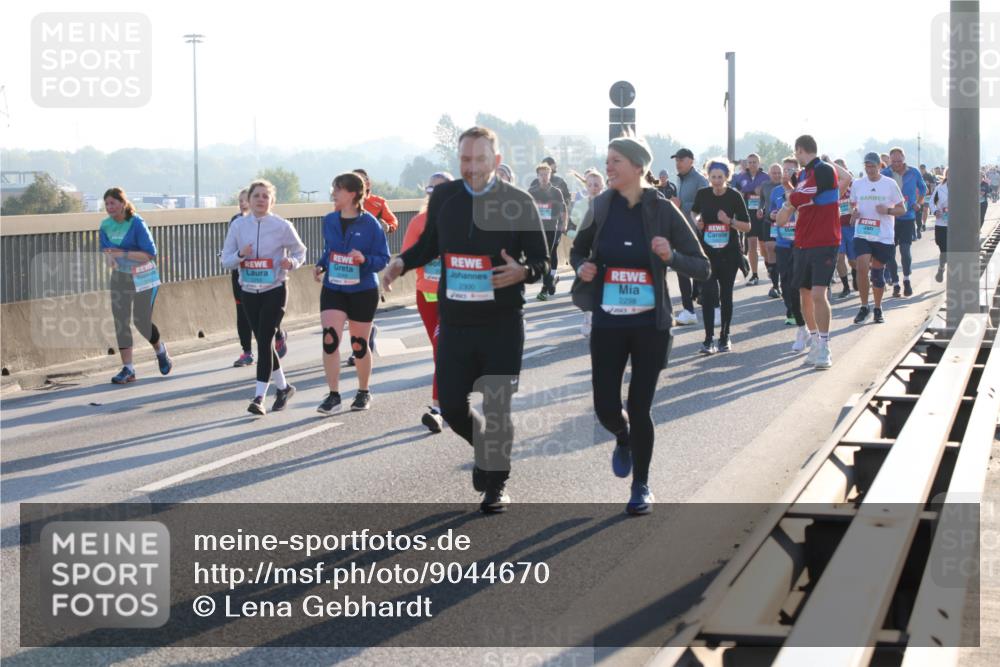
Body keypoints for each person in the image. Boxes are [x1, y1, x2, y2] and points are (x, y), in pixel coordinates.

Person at [382, 126, 550, 514]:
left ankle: (497, 484)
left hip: (502, 322)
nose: (471, 168)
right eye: (465, 160)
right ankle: (486, 453)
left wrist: (524, 272)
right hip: (455, 321)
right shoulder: (445, 197)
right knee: (454, 408)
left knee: (498, 407)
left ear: (497, 161)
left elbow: (543, 261)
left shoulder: (518, 201)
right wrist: (401, 263)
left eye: (479, 160)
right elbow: (427, 245)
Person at [571, 136, 709, 515]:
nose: (608, 167)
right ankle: (622, 434)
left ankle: (641, 485)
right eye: (607, 160)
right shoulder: (600, 206)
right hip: (608, 322)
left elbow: (702, 265)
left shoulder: (662, 209)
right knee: (604, 405)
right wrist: (582, 265)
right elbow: (577, 250)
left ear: (637, 167)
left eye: (615, 161)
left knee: (639, 403)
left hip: (650, 325)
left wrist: (672, 255)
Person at [222, 179, 307, 415]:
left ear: (272, 201)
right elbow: (226, 259)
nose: (260, 200)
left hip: (275, 290)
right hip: (248, 291)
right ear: (248, 200)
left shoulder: (282, 226)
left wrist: (292, 262)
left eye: (265, 196)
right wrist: (241, 255)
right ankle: (284, 387)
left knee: (265, 340)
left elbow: (301, 251)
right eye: (256, 196)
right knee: (264, 343)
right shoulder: (238, 226)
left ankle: (259, 397)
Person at [314, 173, 391, 414]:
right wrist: (321, 264)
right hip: (334, 288)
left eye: (337, 190)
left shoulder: (370, 224)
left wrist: (364, 259)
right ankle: (333, 394)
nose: (333, 194)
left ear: (352, 194)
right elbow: (330, 251)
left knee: (358, 344)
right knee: (330, 339)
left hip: (362, 289)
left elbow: (383, 259)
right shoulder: (329, 220)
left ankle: (363, 391)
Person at [100, 187, 173, 384]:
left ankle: (160, 349)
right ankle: (128, 368)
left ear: (123, 203)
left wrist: (122, 254)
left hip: (143, 276)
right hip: (120, 277)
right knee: (120, 321)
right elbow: (107, 252)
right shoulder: (105, 225)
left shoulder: (136, 223)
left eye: (112, 203)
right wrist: (112, 260)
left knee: (141, 321)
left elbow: (149, 254)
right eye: (106, 204)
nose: (109, 207)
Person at [400, 171, 454, 430]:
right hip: (428, 297)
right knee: (441, 350)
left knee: (446, 348)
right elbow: (407, 257)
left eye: (441, 189)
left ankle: (440, 406)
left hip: (458, 298)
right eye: (431, 190)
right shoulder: (418, 222)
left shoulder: (465, 221)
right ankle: (442, 404)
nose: (435, 194)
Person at [781, 135, 840, 370]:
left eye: (796, 153)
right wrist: (791, 199)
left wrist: (790, 200)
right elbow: (800, 199)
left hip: (825, 241)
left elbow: (806, 193)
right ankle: (814, 340)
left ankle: (825, 346)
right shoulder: (802, 176)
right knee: (804, 294)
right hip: (803, 242)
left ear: (801, 150)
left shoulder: (824, 170)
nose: (796, 158)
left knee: (818, 294)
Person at [692, 159, 752, 354]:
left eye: (720, 177)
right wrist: (698, 221)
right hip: (708, 253)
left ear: (727, 177)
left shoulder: (734, 196)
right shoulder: (703, 194)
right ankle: (708, 339)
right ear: (708, 177)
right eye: (713, 177)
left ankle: (724, 336)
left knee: (726, 295)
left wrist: (729, 221)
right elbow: (694, 212)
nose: (716, 181)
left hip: (729, 254)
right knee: (708, 295)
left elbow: (747, 226)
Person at [850, 153, 905, 325]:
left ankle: (878, 308)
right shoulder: (858, 184)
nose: (870, 169)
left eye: (873, 166)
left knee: (877, 273)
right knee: (861, 266)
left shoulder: (889, 184)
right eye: (867, 166)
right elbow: (853, 205)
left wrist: (888, 211)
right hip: (863, 232)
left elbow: (902, 209)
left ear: (880, 166)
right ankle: (864, 306)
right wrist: (854, 213)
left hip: (883, 234)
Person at [881, 148, 927, 298]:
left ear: (904, 159)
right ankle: (895, 283)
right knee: (890, 253)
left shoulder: (913, 172)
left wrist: (919, 203)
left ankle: (906, 279)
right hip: (890, 219)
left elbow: (923, 188)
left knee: (905, 251)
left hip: (908, 217)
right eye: (893, 161)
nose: (897, 164)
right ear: (889, 160)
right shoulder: (885, 174)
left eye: (899, 161)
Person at [670, 148, 708, 325]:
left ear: (691, 161)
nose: (678, 163)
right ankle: (688, 309)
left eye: (681, 160)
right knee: (682, 270)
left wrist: (681, 204)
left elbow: (707, 204)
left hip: (698, 233)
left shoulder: (700, 180)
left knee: (700, 271)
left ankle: (710, 305)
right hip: (681, 231)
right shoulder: (680, 178)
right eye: (676, 160)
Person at [771, 158, 807, 337]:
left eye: (791, 170)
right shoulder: (776, 191)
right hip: (783, 241)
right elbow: (771, 211)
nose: (787, 173)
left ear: (798, 171)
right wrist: (772, 214)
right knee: (785, 278)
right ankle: (791, 309)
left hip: (801, 242)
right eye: (785, 170)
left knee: (799, 280)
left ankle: (802, 311)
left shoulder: (804, 189)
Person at [569, 169, 606, 338]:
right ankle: (587, 314)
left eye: (596, 184)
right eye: (590, 184)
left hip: (600, 249)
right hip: (583, 248)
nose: (593, 187)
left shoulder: (606, 203)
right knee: (584, 283)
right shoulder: (581, 203)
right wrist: (574, 236)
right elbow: (573, 223)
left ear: (602, 186)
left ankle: (594, 315)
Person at [529, 162, 568, 300]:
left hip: (554, 228)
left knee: (549, 254)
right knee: (542, 255)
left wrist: (564, 224)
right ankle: (551, 280)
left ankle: (545, 289)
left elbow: (563, 209)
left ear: (550, 175)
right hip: (538, 229)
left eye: (546, 174)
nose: (544, 177)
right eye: (541, 175)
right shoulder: (532, 191)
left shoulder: (556, 191)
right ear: (538, 176)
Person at [732, 153, 770, 285]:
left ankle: (769, 266)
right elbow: (735, 192)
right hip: (749, 215)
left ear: (759, 163)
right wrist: (743, 193)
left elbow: (770, 193)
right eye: (750, 162)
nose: (752, 164)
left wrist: (760, 192)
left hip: (763, 214)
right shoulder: (741, 177)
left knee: (764, 246)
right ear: (747, 164)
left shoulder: (766, 177)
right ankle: (754, 275)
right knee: (752, 244)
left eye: (755, 162)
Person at [228, 189, 255, 367]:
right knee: (242, 314)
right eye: (240, 200)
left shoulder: (267, 223)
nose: (242, 203)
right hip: (240, 273)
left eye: (245, 200)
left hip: (261, 274)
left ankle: (276, 335)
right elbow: (229, 247)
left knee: (259, 314)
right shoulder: (235, 221)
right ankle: (247, 352)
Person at [759, 163, 783, 299]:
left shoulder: (786, 186)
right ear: (769, 174)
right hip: (769, 221)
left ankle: (782, 279)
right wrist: (760, 209)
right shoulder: (765, 186)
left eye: (779, 172)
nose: (777, 175)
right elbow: (762, 201)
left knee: (781, 250)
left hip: (784, 223)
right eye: (774, 173)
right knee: (770, 248)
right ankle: (775, 285)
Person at [833, 162, 856, 299]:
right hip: (837, 228)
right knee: (839, 258)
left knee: (853, 261)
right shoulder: (831, 188)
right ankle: (846, 287)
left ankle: (856, 274)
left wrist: (855, 211)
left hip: (852, 228)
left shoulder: (854, 187)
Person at [931, 169, 950, 283]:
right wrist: (935, 211)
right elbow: (932, 202)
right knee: (943, 249)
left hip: (956, 224)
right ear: (946, 175)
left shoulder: (962, 186)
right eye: (949, 173)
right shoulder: (940, 188)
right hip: (941, 223)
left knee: (952, 251)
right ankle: (942, 267)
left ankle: (952, 275)